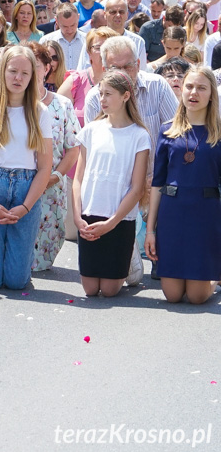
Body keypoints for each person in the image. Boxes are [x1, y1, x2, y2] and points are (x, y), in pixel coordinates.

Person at [0, 46, 53, 289]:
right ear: (3, 72)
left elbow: (45, 167)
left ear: (33, 77)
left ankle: (17, 267)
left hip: (27, 188)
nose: (18, 78)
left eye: (25, 73)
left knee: (17, 282)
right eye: (13, 71)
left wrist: (26, 207)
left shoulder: (39, 112)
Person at [146, 67, 221, 304]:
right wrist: (150, 230)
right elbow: (157, 183)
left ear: (211, 94)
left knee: (197, 297)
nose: (193, 92)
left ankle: (215, 279)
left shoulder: (219, 131)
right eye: (189, 86)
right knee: (173, 295)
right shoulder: (167, 130)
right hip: (173, 213)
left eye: (201, 88)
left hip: (206, 213)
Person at [73, 72, 150, 297]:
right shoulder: (91, 130)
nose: (102, 99)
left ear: (126, 96)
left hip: (118, 220)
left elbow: (137, 188)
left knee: (108, 291)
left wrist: (112, 223)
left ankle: (130, 255)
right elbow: (78, 179)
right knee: (90, 289)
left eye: (108, 94)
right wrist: (78, 217)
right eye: (100, 94)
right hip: (89, 217)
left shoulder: (139, 135)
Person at [25, 43, 79, 271]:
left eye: (35, 66)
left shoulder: (62, 104)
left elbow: (74, 148)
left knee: (42, 262)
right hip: (19, 186)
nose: (28, 71)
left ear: (47, 68)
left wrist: (55, 176)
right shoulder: (8, 104)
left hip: (51, 188)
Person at [58, 27, 118, 127]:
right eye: (98, 48)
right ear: (89, 52)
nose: (104, 53)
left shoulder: (125, 82)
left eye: (109, 48)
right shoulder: (75, 81)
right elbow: (55, 115)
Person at [76, 0, 148, 73]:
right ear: (105, 15)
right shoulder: (93, 40)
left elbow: (141, 72)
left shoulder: (138, 42)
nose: (118, 15)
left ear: (127, 15)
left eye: (121, 12)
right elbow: (82, 70)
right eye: (113, 12)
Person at [41, 3, 85, 71]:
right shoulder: (46, 41)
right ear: (56, 21)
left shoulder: (87, 40)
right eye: (65, 26)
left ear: (78, 17)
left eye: (73, 25)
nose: (69, 30)